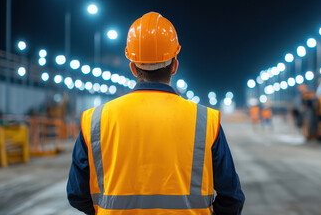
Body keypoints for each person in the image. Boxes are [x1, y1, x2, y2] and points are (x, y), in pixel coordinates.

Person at [67, 12, 245, 215]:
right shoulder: (205, 121)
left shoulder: (95, 120)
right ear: (175, 66)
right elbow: (232, 198)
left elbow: (76, 194)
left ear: (133, 68)